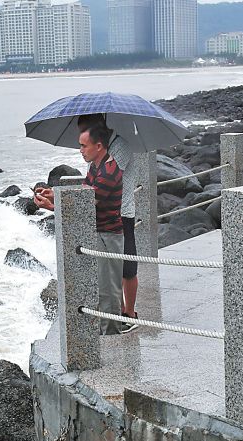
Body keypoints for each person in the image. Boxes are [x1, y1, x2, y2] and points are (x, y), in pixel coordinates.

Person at [34, 125, 126, 335]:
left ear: (99, 146)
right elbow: (84, 192)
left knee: (108, 289)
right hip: (98, 232)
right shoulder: (96, 166)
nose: (81, 150)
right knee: (101, 286)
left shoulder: (108, 174)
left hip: (107, 236)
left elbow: (86, 205)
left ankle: (111, 335)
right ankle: (105, 330)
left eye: (84, 146)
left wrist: (51, 206)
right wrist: (52, 193)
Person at [77, 115, 139, 333]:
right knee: (110, 270)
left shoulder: (119, 147)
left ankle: (128, 313)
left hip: (123, 211)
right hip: (106, 213)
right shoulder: (100, 155)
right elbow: (92, 183)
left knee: (127, 266)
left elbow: (105, 182)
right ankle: (115, 313)